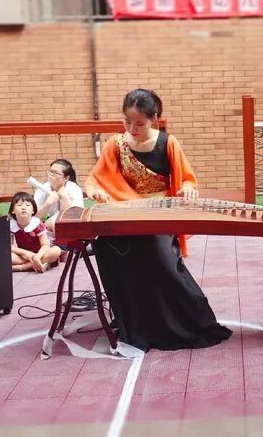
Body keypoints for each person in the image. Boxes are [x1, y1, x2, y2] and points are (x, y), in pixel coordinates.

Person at [84, 88, 232, 352]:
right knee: (109, 251)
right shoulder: (115, 145)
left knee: (161, 261)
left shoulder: (168, 143)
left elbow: (187, 179)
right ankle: (136, 324)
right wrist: (96, 191)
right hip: (125, 217)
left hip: (159, 217)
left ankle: (187, 324)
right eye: (127, 122)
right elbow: (96, 178)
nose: (132, 129)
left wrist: (187, 188)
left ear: (154, 119)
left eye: (139, 123)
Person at [9, 192, 62, 273]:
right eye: (19, 205)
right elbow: (10, 247)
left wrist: (37, 256)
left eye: (27, 205)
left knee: (56, 250)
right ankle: (41, 264)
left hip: (41, 254)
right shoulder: (11, 225)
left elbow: (45, 245)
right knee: (7, 256)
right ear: (13, 210)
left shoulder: (37, 224)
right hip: (23, 256)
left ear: (33, 210)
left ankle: (24, 267)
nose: (23, 208)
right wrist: (27, 254)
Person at [32, 159, 84, 239]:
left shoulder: (74, 189)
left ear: (66, 178)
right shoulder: (41, 190)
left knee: (56, 224)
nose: (51, 175)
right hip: (51, 225)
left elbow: (77, 215)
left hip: (71, 224)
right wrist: (48, 203)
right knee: (51, 224)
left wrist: (65, 197)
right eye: (51, 172)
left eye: (56, 173)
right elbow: (34, 218)